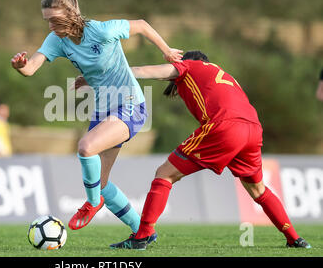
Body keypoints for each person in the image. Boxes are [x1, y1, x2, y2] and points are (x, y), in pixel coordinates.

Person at [10, 0, 182, 234]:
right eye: (47, 20)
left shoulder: (101, 30)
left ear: (71, 14)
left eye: (54, 19)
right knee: (101, 184)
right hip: (103, 111)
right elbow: (31, 68)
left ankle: (92, 203)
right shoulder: (56, 40)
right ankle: (142, 233)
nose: (50, 25)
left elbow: (142, 26)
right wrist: (21, 66)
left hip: (130, 105)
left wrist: (166, 51)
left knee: (85, 147)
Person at [106, 50, 311, 249]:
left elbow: (143, 71)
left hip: (225, 127)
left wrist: (104, 73)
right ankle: (295, 238)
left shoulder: (188, 66)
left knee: (164, 174)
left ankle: (142, 236)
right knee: (258, 189)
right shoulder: (224, 75)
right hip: (253, 129)